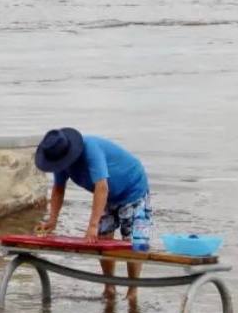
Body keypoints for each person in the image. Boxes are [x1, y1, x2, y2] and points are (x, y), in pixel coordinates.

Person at [33, 127, 151, 303]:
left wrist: (92, 225)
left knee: (133, 242)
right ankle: (109, 286)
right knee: (103, 239)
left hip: (132, 188)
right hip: (108, 196)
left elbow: (101, 187)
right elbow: (58, 189)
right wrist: (52, 219)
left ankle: (132, 291)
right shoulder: (61, 161)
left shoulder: (91, 150)